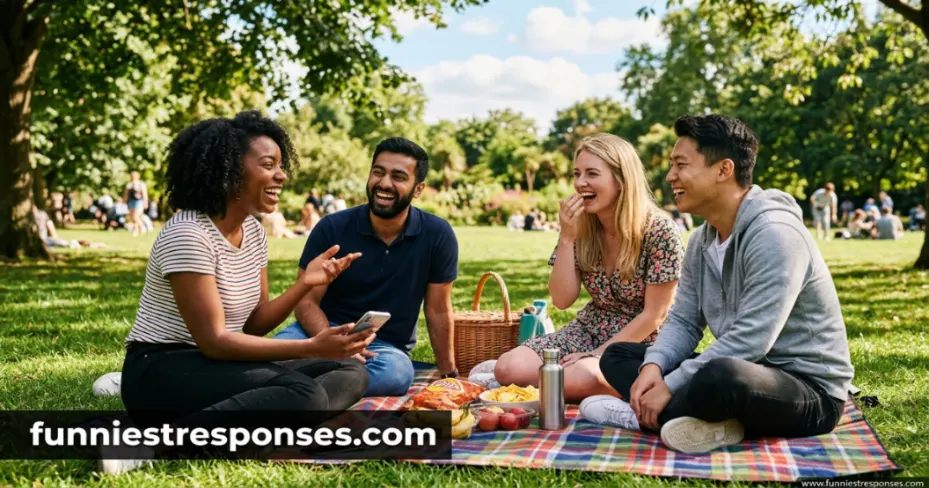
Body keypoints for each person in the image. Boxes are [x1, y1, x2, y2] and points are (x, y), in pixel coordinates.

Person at [99, 111, 373, 474]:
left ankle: (244, 428)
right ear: (228, 169)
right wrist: (311, 345)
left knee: (350, 371)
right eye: (268, 164)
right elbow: (213, 341)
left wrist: (305, 283)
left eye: (280, 164)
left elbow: (255, 324)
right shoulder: (188, 234)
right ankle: (150, 444)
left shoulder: (254, 233)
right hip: (162, 369)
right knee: (304, 394)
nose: (282, 175)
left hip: (217, 366)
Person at [581, 114, 854, 454]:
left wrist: (671, 383)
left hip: (810, 392)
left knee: (721, 375)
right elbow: (682, 320)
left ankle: (640, 416)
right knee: (620, 355)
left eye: (681, 165)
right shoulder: (701, 240)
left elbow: (752, 339)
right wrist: (655, 367)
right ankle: (698, 420)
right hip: (748, 368)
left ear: (724, 170)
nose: (670, 177)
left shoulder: (775, 234)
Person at [494, 133, 684, 403]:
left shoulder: (660, 231)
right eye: (577, 173)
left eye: (592, 173)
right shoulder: (583, 225)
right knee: (507, 368)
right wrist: (568, 236)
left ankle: (636, 384)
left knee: (581, 376)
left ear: (621, 180)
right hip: (589, 328)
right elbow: (561, 300)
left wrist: (598, 354)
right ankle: (602, 386)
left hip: (643, 341)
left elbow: (656, 314)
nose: (580, 183)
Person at [273, 137, 459, 397]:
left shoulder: (437, 235)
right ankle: (323, 388)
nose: (384, 183)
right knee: (270, 354)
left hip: (381, 348)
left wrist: (449, 374)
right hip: (319, 332)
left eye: (398, 176)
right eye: (378, 172)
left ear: (418, 189)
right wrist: (330, 341)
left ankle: (294, 390)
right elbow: (306, 302)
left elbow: (438, 309)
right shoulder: (332, 228)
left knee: (397, 374)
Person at [124, 171, 149, 237]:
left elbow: (144, 194)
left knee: (136, 216)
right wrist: (125, 201)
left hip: (139, 202)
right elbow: (126, 194)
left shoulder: (141, 184)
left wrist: (145, 202)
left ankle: (142, 227)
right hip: (131, 202)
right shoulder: (129, 185)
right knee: (132, 217)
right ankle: (136, 231)